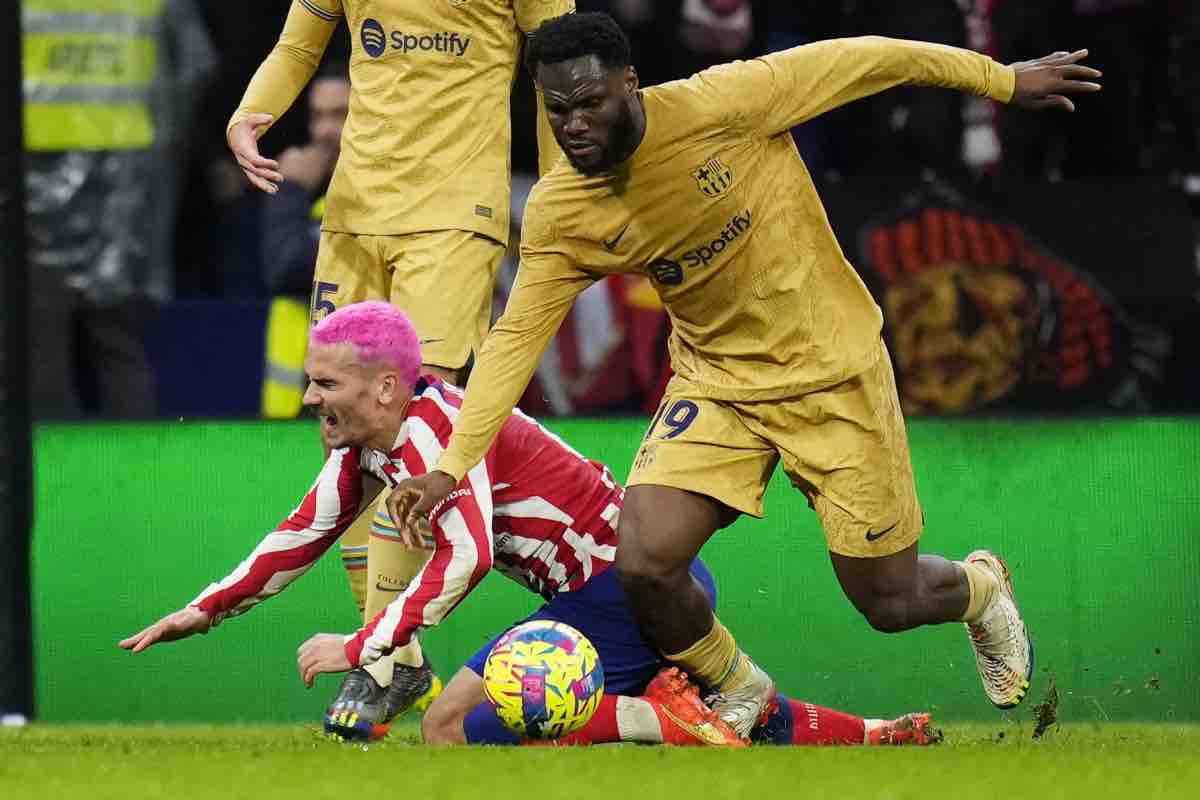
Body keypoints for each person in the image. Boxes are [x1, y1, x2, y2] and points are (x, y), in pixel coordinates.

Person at [387, 12, 1103, 736]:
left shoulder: (726, 104)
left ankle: (980, 591)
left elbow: (868, 55)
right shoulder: (564, 209)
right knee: (643, 559)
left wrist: (1002, 80)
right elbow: (514, 340)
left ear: (629, 85)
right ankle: (740, 688)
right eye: (556, 108)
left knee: (889, 601)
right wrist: (451, 467)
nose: (573, 124)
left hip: (832, 371)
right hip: (717, 384)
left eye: (589, 102)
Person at [118, 302, 936, 749]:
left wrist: (366, 646)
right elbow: (302, 533)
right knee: (711, 711)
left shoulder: (442, 431)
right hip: (616, 596)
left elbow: (467, 553)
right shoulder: (375, 440)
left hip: (618, 591)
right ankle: (871, 735)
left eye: (325, 382)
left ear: (385, 388)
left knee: (447, 725)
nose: (309, 399)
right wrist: (201, 612)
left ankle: (661, 716)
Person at [224, 0, 576, 730]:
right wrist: (250, 112)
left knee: (415, 417)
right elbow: (298, 44)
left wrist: (554, 184)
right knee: (347, 428)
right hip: (353, 212)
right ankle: (400, 661)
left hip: (455, 212)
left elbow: (558, 64)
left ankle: (381, 657)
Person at [23, 0, 215, 419]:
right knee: (116, 339)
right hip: (125, 193)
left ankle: (52, 470)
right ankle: (134, 465)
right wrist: (161, 154)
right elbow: (194, 69)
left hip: (36, 190)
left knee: (44, 340)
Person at [259, 60, 350, 419]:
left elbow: (287, 267)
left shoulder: (384, 195)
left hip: (352, 408)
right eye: (318, 117)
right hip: (293, 405)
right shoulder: (309, 191)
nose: (326, 130)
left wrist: (291, 192)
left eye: (340, 115)